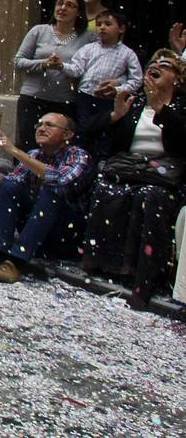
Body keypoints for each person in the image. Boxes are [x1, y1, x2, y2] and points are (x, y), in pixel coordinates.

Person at [79, 51, 185, 308]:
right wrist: (115, 116)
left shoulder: (181, 106)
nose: (156, 68)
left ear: (178, 78)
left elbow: (182, 142)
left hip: (166, 176)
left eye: (164, 66)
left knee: (150, 197)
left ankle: (145, 279)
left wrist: (162, 109)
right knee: (106, 188)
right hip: (132, 168)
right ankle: (107, 265)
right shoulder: (135, 104)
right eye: (152, 64)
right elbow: (100, 136)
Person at [0, 115, 90, 283]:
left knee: (50, 193)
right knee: (9, 187)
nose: (41, 128)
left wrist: (14, 151)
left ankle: (15, 263)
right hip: (36, 225)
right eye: (39, 124)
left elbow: (59, 179)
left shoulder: (79, 156)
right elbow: (5, 185)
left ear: (67, 135)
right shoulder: (34, 154)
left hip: (64, 231)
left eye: (49, 125)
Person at [56, 9, 143, 159]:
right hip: (86, 98)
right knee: (82, 131)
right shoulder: (88, 49)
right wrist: (61, 65)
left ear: (121, 29)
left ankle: (102, 164)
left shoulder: (128, 53)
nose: (102, 27)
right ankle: (79, 160)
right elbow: (77, 69)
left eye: (108, 24)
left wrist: (118, 90)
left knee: (106, 133)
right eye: (99, 24)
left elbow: (136, 79)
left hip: (109, 101)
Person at [12, 0, 94, 150]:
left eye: (70, 5)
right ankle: (27, 174)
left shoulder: (88, 38)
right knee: (29, 145)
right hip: (33, 98)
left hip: (65, 101)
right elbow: (18, 62)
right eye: (60, 3)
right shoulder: (39, 31)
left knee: (59, 148)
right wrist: (44, 64)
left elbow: (95, 64)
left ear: (79, 12)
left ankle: (53, 175)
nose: (63, 8)